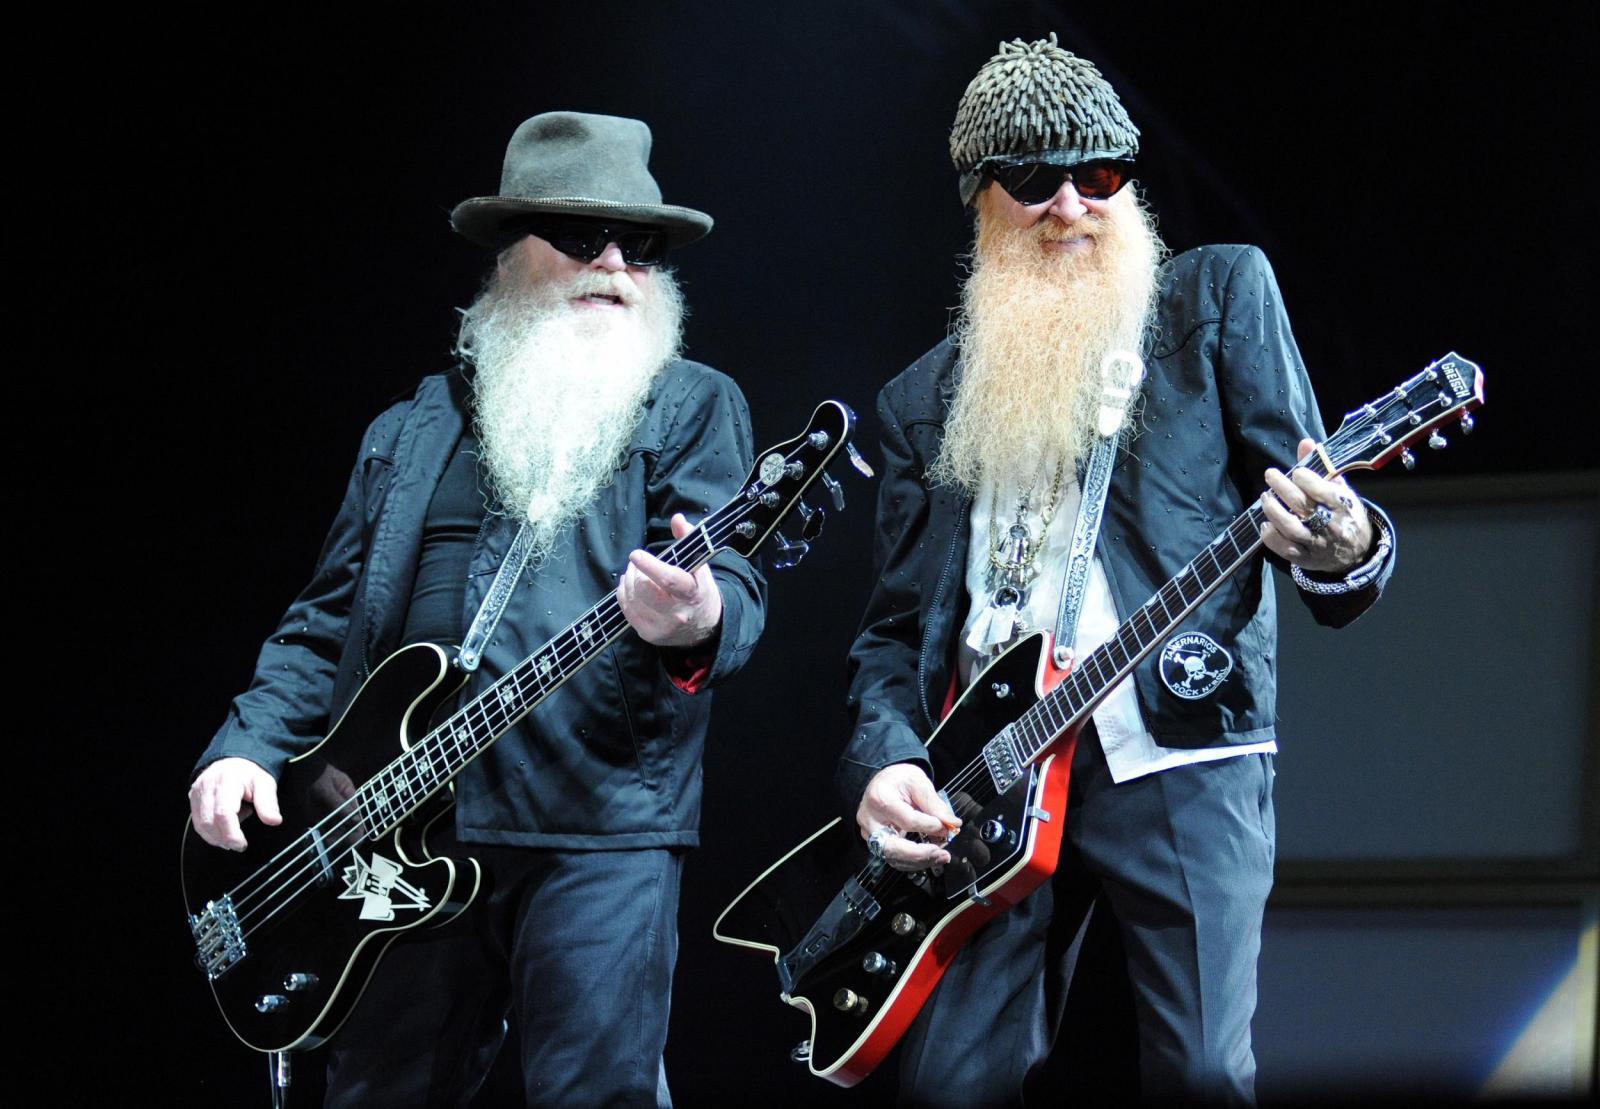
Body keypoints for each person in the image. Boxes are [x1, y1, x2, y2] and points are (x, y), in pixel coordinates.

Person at [838, 36, 1395, 1106]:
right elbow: (892, 633)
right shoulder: (921, 401)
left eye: (1099, 175)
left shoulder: (1215, 297)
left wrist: (1348, 543)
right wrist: (882, 759)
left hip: (1175, 742)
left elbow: (1324, 506)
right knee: (947, 1085)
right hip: (988, 777)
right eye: (1033, 178)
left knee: (1200, 1070)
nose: (1070, 205)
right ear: (979, 198)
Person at [187, 111, 766, 1107]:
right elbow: (324, 621)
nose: (615, 264)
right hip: (389, 834)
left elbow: (738, 584)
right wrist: (244, 745)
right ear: (507, 253)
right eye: (582, 236)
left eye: (640, 245)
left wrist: (700, 616)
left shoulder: (691, 405)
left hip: (598, 826)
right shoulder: (410, 428)